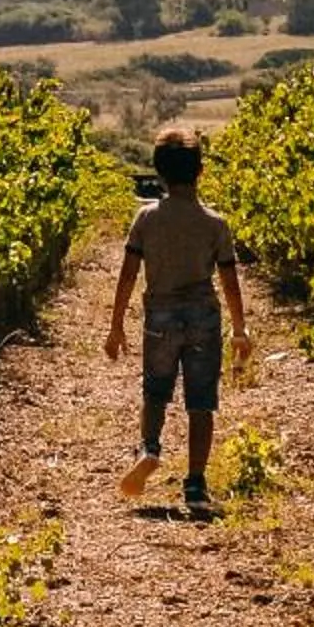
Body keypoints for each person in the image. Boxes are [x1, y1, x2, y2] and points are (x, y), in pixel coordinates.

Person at [106, 125, 249, 513]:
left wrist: (116, 325)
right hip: (203, 317)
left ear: (159, 172)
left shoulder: (146, 219)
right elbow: (230, 281)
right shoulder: (215, 224)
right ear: (201, 171)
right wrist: (239, 328)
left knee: (155, 392)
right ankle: (196, 486)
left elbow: (127, 275)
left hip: (161, 316)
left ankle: (150, 448)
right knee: (201, 402)